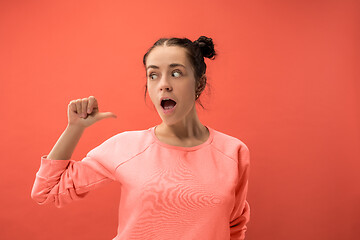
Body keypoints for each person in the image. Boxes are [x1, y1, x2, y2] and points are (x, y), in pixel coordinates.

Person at [31, 36, 251, 240]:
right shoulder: (126, 147)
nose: (163, 84)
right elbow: (47, 192)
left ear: (199, 84)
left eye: (176, 73)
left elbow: (234, 226)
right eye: (153, 75)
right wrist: (74, 128)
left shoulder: (233, 152)